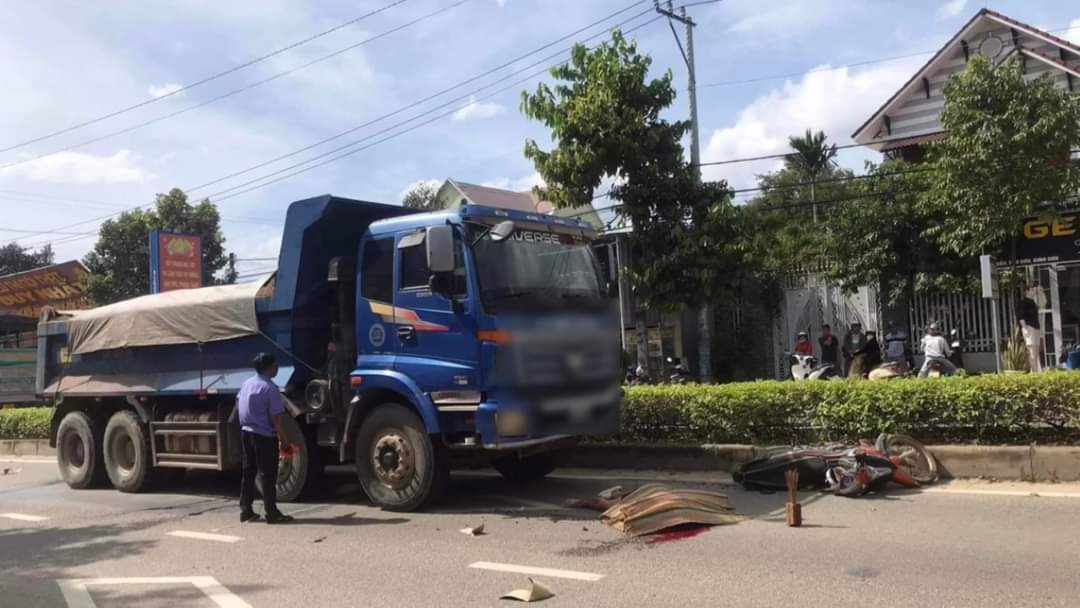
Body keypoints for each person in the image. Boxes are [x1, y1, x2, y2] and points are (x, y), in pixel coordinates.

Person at [238, 353, 296, 524]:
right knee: (268, 474)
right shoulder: (270, 388)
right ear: (269, 367)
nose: (277, 368)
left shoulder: (247, 383)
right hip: (264, 435)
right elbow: (276, 419)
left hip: (246, 432)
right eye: (275, 365)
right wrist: (284, 440)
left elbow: (239, 405)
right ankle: (272, 513)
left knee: (248, 472)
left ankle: (246, 511)